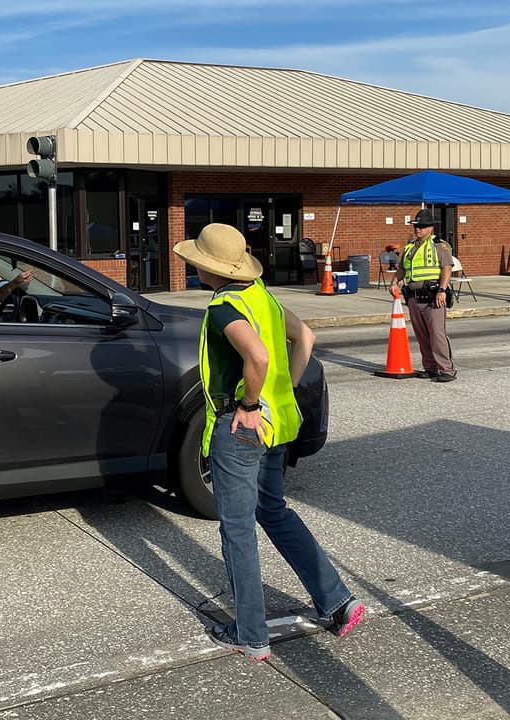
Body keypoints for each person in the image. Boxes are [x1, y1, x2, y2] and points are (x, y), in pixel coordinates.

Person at [172, 222, 365, 661]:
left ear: (209, 269)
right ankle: (338, 601)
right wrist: (284, 392)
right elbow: (306, 338)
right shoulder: (263, 296)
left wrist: (250, 403)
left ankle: (251, 633)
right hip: (278, 428)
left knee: (238, 527)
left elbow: (256, 355)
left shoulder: (224, 306)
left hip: (242, 429)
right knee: (274, 512)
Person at [391, 208, 456, 382]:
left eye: (421, 226)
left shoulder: (438, 245)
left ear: (430, 228)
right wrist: (394, 282)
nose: (417, 229)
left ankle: (447, 369)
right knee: (422, 335)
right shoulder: (410, 247)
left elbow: (447, 268)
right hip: (413, 296)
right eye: (416, 226)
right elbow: (403, 270)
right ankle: (431, 367)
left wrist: (442, 290)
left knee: (437, 334)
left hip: (433, 296)